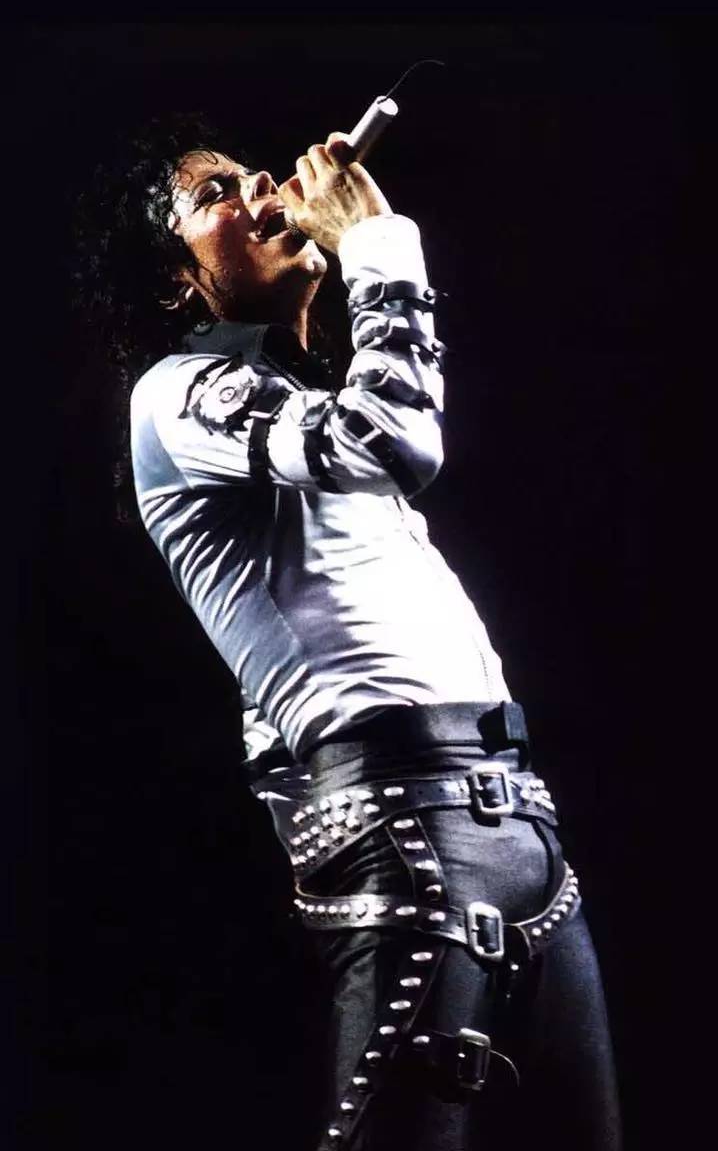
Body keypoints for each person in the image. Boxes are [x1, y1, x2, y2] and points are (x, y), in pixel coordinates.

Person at [77, 114, 621, 1149]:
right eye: (215, 196)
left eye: (255, 174)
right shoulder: (176, 395)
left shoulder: (292, 408)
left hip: (515, 828)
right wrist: (377, 241)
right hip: (405, 831)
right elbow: (393, 439)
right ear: (176, 284)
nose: (264, 188)